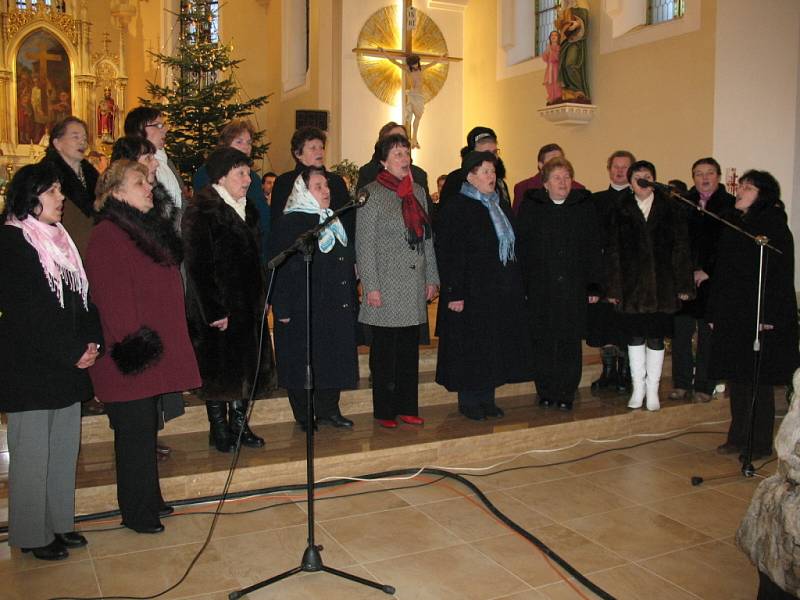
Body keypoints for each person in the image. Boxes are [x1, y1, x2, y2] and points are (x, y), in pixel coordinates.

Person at [86, 161, 201, 534]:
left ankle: (149, 498)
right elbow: (113, 299)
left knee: (145, 429)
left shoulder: (139, 228)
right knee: (133, 434)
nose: (148, 187)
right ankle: (136, 512)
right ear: (116, 192)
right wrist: (136, 345)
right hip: (130, 355)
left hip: (148, 352)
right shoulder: (108, 234)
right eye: (140, 183)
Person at [0, 163, 101, 560]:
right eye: (54, 191)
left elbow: (83, 296)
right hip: (32, 367)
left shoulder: (62, 240)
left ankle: (59, 522)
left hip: (68, 363)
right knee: (31, 454)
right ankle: (31, 532)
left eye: (61, 190)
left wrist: (93, 341)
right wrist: (71, 350)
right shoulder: (11, 241)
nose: (61, 198)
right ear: (31, 195)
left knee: (62, 449)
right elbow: (29, 312)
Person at [183, 147, 273, 452]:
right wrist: (213, 310)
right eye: (241, 173)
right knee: (220, 372)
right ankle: (219, 429)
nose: (249, 179)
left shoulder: (248, 209)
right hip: (219, 308)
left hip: (246, 304)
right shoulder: (202, 209)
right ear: (222, 176)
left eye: (248, 172)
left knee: (244, 369)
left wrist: (261, 297)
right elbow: (198, 265)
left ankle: (239, 425)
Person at [707, 170, 798, 460]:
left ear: (763, 195)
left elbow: (781, 277)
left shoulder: (773, 228)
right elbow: (722, 271)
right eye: (741, 186)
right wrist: (715, 311)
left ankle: (758, 443)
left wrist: (769, 315)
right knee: (737, 376)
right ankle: (737, 436)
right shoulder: (734, 222)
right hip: (733, 313)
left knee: (757, 379)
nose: (740, 191)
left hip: (761, 314)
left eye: (748, 188)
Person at [435, 151, 533, 419]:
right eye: (485, 172)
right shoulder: (457, 207)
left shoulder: (499, 205)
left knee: (492, 347)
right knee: (471, 348)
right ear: (470, 176)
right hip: (469, 292)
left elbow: (514, 249)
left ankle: (487, 399)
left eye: (493, 171)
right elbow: (449, 253)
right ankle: (469, 401)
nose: (492, 176)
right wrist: (454, 292)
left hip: (497, 292)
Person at [356, 133, 439, 428]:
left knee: (407, 349)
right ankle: (384, 411)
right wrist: (371, 286)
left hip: (413, 283)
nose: (404, 159)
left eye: (406, 153)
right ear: (383, 162)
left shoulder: (417, 191)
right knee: (385, 351)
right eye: (397, 154)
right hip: (386, 284)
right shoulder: (370, 193)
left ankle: (407, 406)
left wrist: (432, 277)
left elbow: (427, 239)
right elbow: (364, 245)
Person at [110, 136, 183, 461]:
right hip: (137, 332)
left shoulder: (151, 209)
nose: (154, 164)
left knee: (147, 406)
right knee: (134, 423)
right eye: (147, 160)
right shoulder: (113, 229)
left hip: (156, 317)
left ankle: (148, 438)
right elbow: (116, 293)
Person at [270, 167, 358, 430]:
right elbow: (280, 267)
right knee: (302, 359)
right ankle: (305, 413)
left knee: (331, 357)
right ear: (302, 191)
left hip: (333, 302)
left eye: (326, 186)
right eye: (318, 186)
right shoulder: (290, 223)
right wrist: (282, 306)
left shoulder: (333, 219)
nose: (326, 191)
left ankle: (329, 408)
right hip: (303, 306)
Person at [605, 160, 693, 411]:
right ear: (630, 182)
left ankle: (653, 390)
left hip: (662, 286)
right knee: (634, 337)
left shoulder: (670, 207)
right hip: (631, 287)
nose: (643, 180)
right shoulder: (619, 208)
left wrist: (684, 285)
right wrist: (613, 288)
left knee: (656, 337)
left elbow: (681, 249)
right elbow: (612, 251)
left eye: (648, 176)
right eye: (638, 176)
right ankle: (638, 388)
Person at [517, 157, 602, 411]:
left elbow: (592, 248)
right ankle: (545, 389)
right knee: (543, 340)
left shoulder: (583, 205)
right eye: (557, 178)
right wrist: (523, 285)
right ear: (545, 183)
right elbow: (522, 247)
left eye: (566, 177)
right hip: (541, 287)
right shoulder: (532, 206)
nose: (562, 182)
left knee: (568, 341)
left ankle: (566, 390)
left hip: (573, 287)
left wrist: (593, 285)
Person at [670, 158, 735, 403]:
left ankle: (705, 386)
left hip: (714, 280)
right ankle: (681, 383)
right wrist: (686, 271)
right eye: (698, 173)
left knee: (708, 336)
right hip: (685, 278)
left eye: (709, 173)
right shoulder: (684, 203)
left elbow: (728, 247)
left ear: (718, 176)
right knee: (681, 332)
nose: (704, 178)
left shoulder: (729, 206)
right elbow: (676, 242)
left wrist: (707, 270)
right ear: (693, 178)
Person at [586, 150, 635, 393]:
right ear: (609, 169)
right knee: (604, 323)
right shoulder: (595, 201)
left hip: (629, 276)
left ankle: (625, 374)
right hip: (603, 274)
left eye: (625, 167)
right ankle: (608, 372)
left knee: (625, 325)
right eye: (615, 166)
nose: (619, 171)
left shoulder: (639, 200)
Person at [193, 119, 271, 265]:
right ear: (225, 145)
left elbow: (262, 214)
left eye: (249, 143)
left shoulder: (253, 177)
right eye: (239, 142)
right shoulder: (206, 173)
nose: (246, 147)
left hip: (255, 253)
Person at [270, 127, 352, 237]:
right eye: (313, 148)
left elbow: (347, 221)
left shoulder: (336, 182)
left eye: (322, 147)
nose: (320, 152)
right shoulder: (285, 182)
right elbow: (277, 222)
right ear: (298, 154)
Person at [41, 116, 99, 254]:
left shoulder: (90, 173)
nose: (82, 142)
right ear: (57, 143)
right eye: (75, 137)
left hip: (91, 242)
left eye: (84, 138)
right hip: (62, 245)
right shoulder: (45, 174)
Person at [124, 107, 188, 213]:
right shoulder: (134, 163)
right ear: (140, 129)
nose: (165, 129)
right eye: (158, 125)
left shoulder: (166, 161)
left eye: (163, 125)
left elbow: (181, 203)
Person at [440, 126, 511, 208]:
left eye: (494, 152)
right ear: (473, 154)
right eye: (486, 153)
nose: (492, 157)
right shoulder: (455, 180)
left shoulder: (500, 183)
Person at [512, 143, 586, 215]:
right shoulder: (523, 188)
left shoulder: (578, 189)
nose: (557, 165)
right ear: (540, 165)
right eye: (552, 162)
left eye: (560, 161)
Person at [542, 30, 562, 104]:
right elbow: (544, 58)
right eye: (552, 35)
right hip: (549, 68)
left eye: (555, 35)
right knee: (548, 83)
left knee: (556, 82)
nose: (553, 37)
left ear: (558, 38)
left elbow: (558, 57)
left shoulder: (559, 47)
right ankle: (551, 96)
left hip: (556, 67)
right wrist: (547, 51)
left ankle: (557, 97)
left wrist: (552, 52)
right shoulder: (548, 47)